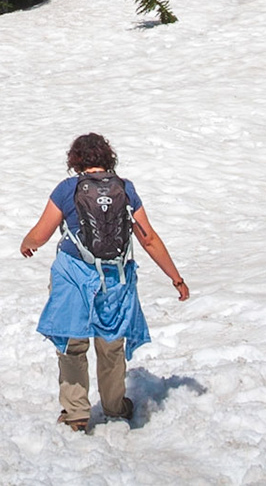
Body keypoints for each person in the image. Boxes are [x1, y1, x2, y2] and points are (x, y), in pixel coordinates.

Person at [20, 132, 188, 432]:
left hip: (73, 275)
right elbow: (148, 238)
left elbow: (41, 234)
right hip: (114, 278)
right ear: (108, 157)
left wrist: (27, 243)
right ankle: (114, 405)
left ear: (75, 160)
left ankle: (76, 413)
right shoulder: (126, 189)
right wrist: (176, 278)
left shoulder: (67, 189)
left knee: (73, 343)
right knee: (111, 345)